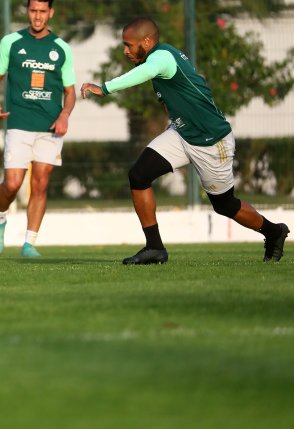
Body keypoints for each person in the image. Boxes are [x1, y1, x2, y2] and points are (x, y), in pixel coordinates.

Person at [81, 17, 289, 264]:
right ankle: (155, 248)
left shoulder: (162, 58)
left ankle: (274, 232)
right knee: (138, 176)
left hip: (211, 141)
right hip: (182, 133)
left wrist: (103, 88)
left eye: (129, 45)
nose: (125, 50)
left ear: (146, 42)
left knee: (225, 205)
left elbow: (145, 72)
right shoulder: (158, 56)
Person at [0, 0, 76, 257]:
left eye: (42, 11)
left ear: (51, 13)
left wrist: (64, 115)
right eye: (33, 11)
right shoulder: (11, 42)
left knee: (40, 184)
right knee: (12, 184)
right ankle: (0, 217)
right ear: (27, 11)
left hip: (49, 127)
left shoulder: (62, 48)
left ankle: (29, 243)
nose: (37, 17)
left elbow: (70, 93)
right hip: (19, 123)